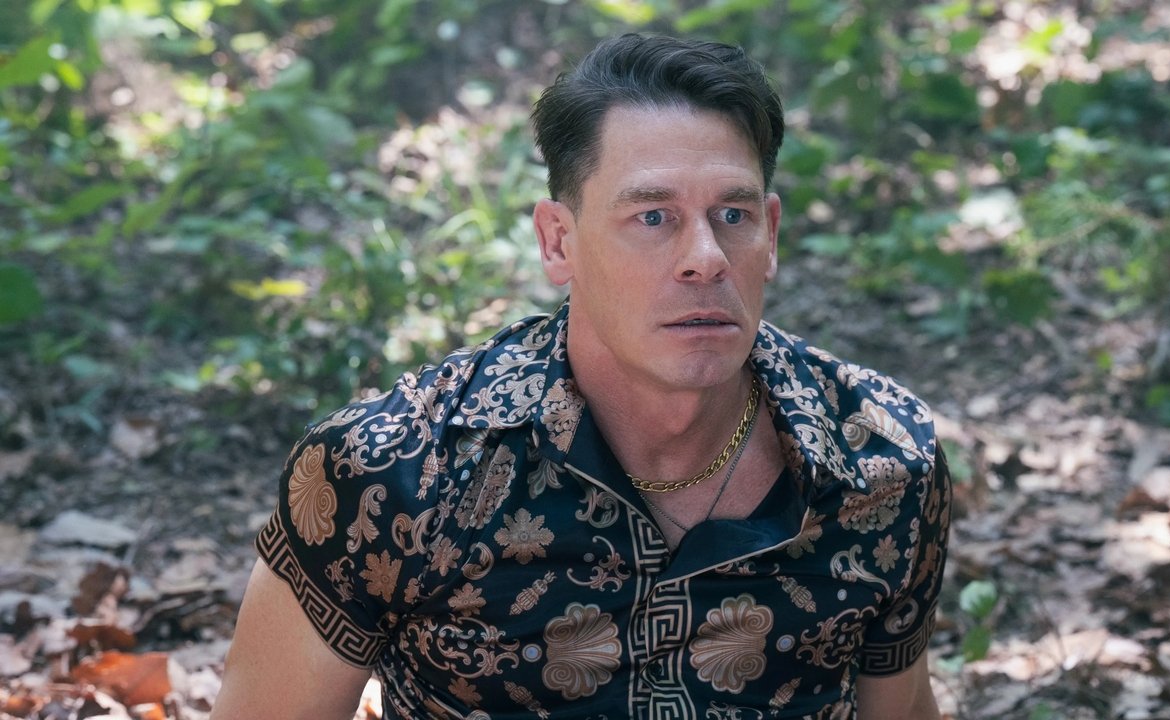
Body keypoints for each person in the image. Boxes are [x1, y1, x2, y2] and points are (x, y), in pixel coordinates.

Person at [213, 33, 951, 720]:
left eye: (733, 214)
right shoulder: (395, 473)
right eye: (653, 217)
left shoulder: (881, 463)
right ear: (558, 241)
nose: (706, 258)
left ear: (772, 234)